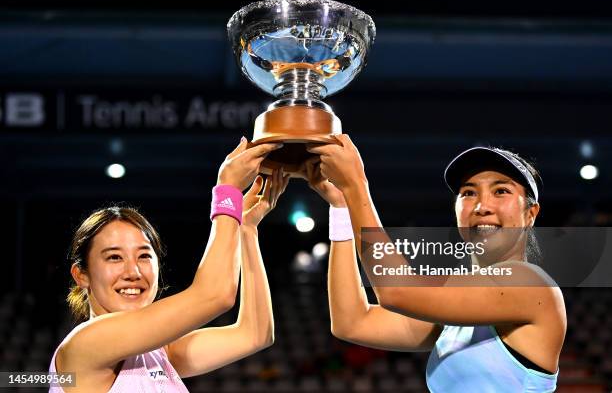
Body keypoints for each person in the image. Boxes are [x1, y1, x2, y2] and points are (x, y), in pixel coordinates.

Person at [301, 137, 566, 392]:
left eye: (501, 191)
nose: (482, 205)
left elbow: (396, 290)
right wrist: (341, 208)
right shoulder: (457, 315)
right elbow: (352, 323)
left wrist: (355, 184)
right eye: (468, 192)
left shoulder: (530, 285)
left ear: (530, 214)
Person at [49, 138, 288, 392]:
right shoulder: (85, 345)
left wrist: (247, 229)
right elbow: (215, 295)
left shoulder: (161, 354)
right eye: (114, 257)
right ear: (81, 275)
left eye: (144, 256)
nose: (134, 272)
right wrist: (227, 190)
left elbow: (255, 334)